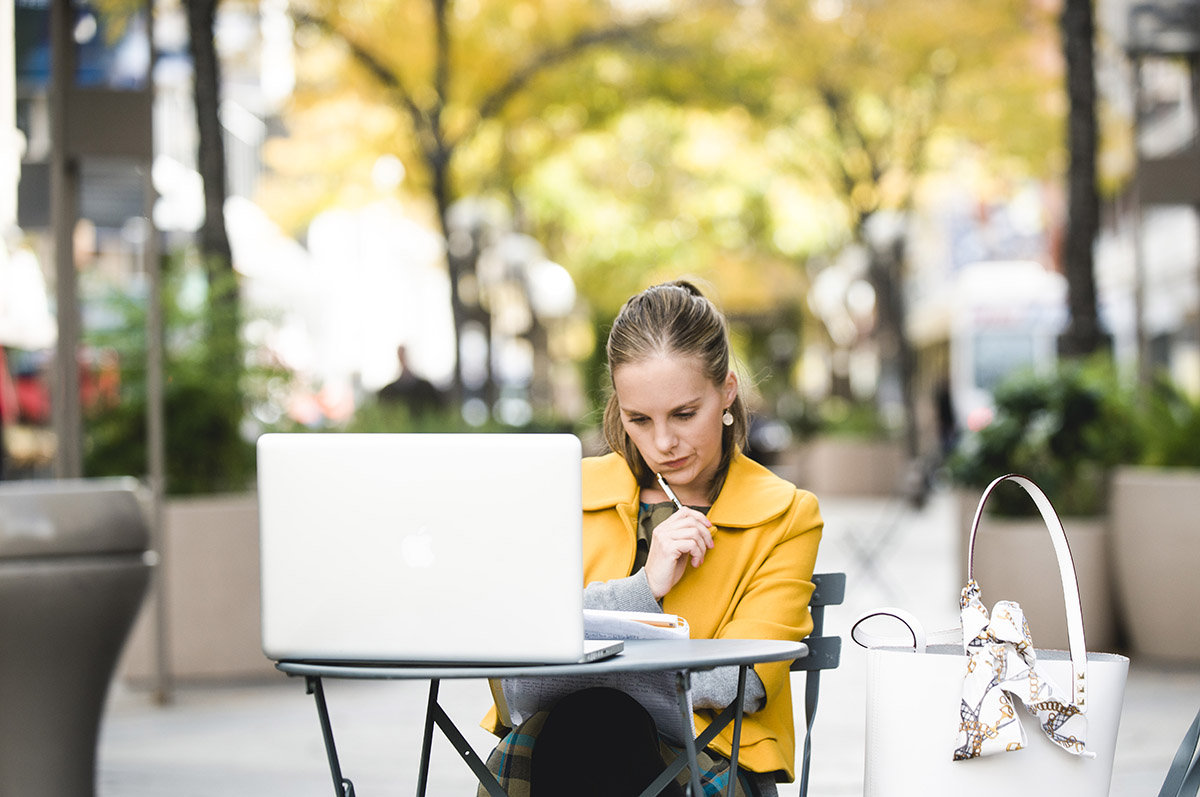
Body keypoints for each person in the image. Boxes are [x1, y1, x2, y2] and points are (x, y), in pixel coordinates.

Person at [479, 281, 824, 796]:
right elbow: (517, 650)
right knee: (589, 723)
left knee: (600, 721)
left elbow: (745, 679)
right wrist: (644, 589)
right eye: (639, 419)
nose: (664, 443)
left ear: (727, 391)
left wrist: (602, 672)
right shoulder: (567, 490)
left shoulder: (785, 514)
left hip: (711, 756)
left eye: (685, 414)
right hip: (555, 747)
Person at [376, 344, 444, 421]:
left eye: (404, 355)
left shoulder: (425, 388)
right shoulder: (388, 392)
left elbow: (439, 411)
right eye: (401, 355)